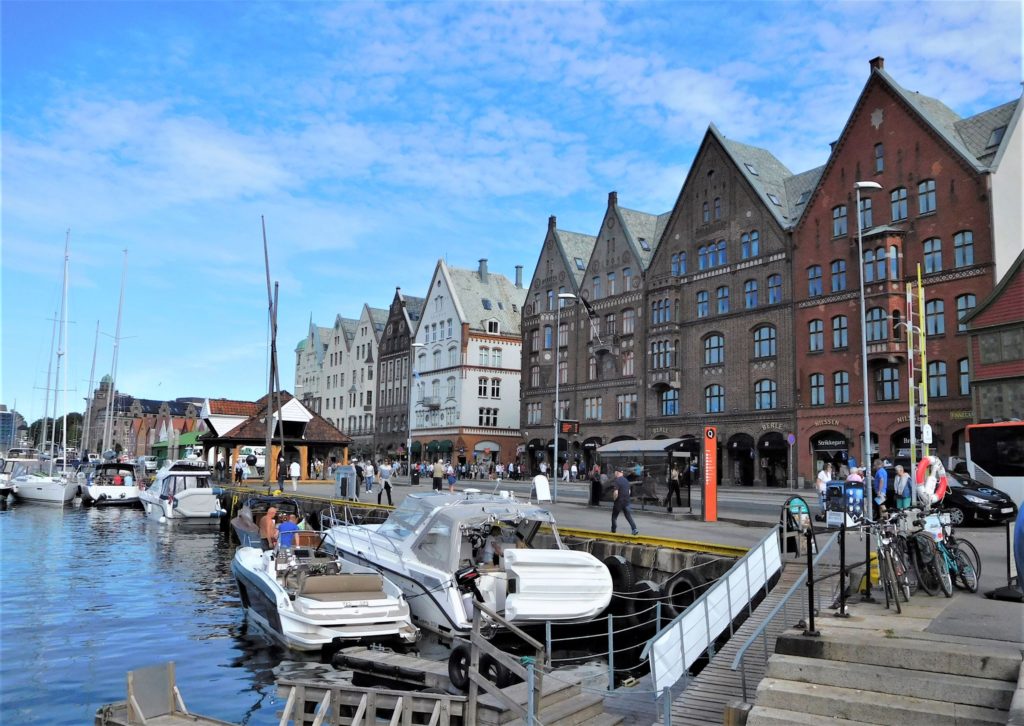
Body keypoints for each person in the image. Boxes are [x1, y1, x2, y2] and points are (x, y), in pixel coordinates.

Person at [611, 468, 639, 536]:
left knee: (614, 517)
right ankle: (634, 529)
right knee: (628, 516)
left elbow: (616, 492)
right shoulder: (626, 481)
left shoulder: (617, 481)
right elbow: (629, 491)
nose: (614, 474)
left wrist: (614, 499)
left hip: (619, 502)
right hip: (626, 502)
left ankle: (613, 530)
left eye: (615, 472)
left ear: (617, 473)